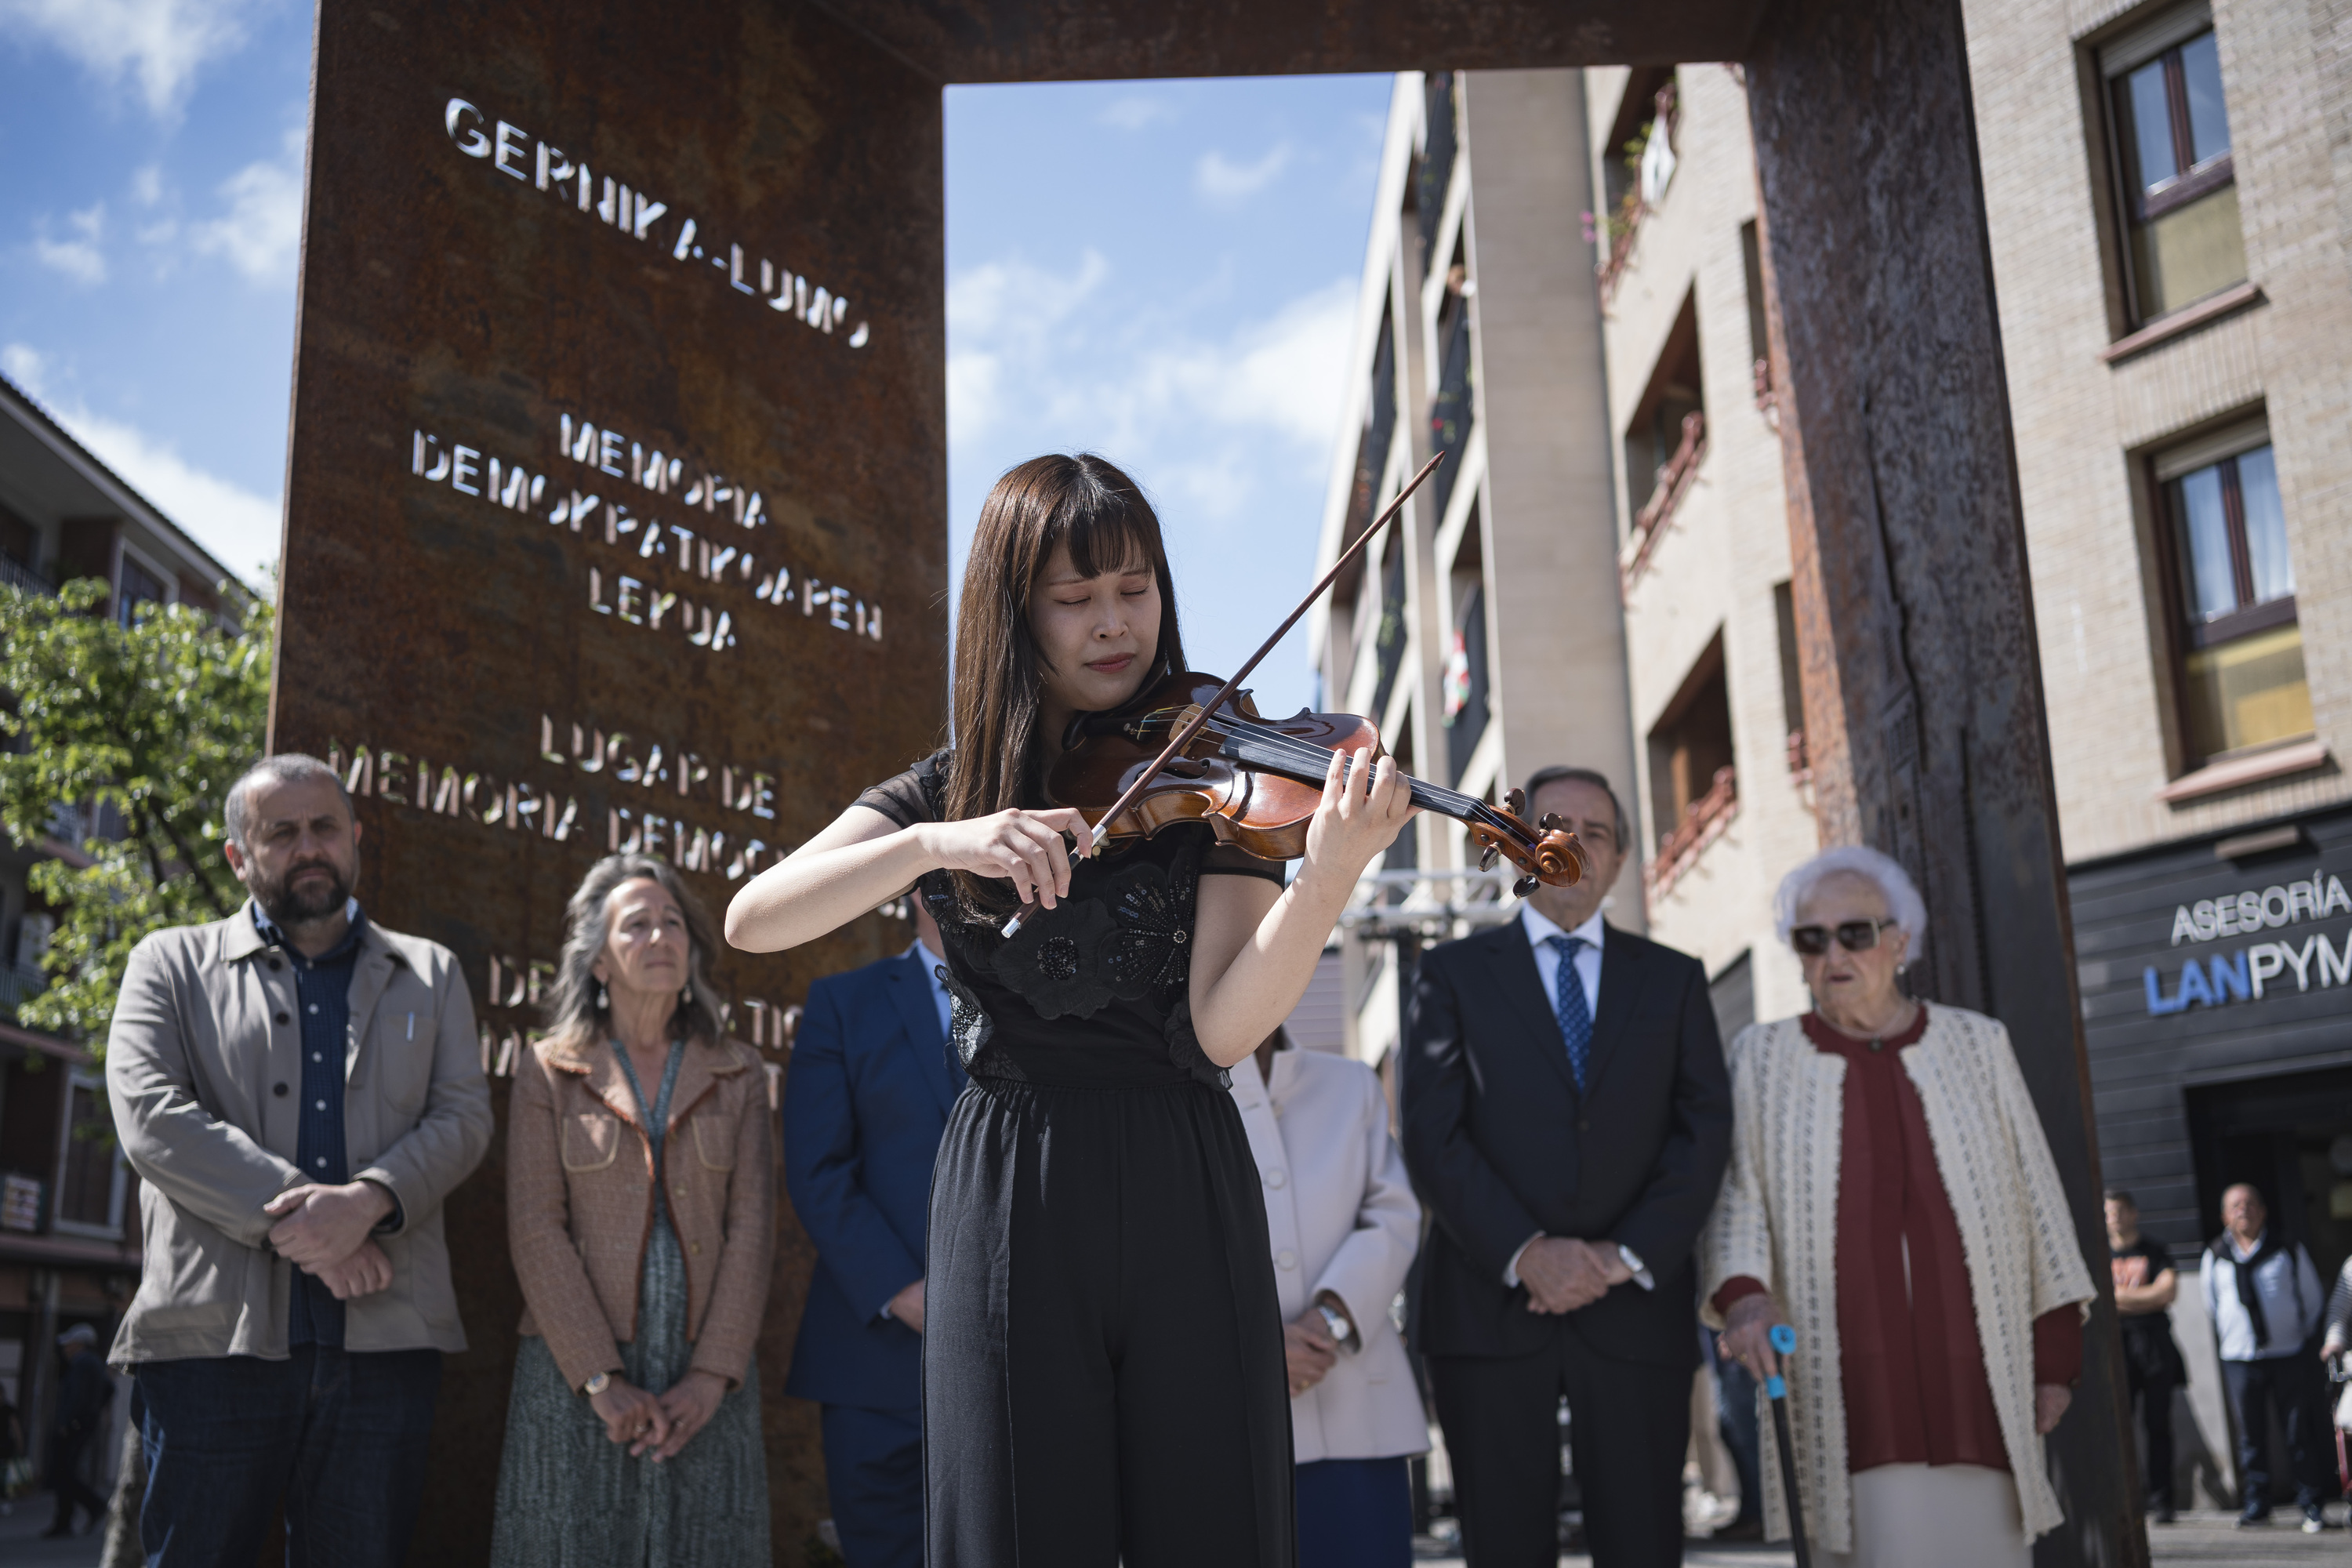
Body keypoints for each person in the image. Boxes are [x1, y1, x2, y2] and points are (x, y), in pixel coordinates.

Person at [725, 452, 1414, 1567]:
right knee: (1020, 1523)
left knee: (1209, 1521)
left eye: (1134, 589)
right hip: (1013, 1193)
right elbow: (753, 919)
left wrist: (1327, 877)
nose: (1113, 624)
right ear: (1016, 612)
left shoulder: (1217, 777)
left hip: (1187, 1173)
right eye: (1076, 598)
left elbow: (1220, 1030)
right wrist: (929, 846)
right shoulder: (939, 795)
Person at [106, 753, 494, 1566]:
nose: (308, 846)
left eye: (325, 826)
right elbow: (149, 1115)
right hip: (213, 1344)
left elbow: (463, 1117)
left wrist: (368, 1201)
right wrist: (307, 1214)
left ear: (356, 838)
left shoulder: (432, 973)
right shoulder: (167, 964)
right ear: (239, 857)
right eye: (280, 832)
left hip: (387, 1349)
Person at [1704, 845, 2095, 1568]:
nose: (1833, 954)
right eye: (1810, 939)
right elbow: (1738, 1204)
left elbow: (2037, 1198)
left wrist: (2054, 1359)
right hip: (1843, 1390)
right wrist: (1746, 1299)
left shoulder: (1979, 1044)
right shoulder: (1762, 1058)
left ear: (1900, 942)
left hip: (1980, 1384)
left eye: (1855, 932)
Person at [1400, 765, 1732, 1567]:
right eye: (1555, 824)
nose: (1573, 844)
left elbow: (1704, 1130)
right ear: (1518, 844)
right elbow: (1432, 1135)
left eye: (1598, 832)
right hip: (1489, 1306)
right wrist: (1527, 1251)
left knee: (1644, 1540)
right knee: (1504, 1543)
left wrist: (1623, 1255)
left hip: (1635, 1312)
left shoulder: (1676, 980)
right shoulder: (1449, 976)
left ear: (1619, 860)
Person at [491, 853, 775, 1566]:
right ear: (598, 963)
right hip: (576, 1372)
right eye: (637, 925)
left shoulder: (737, 1072)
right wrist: (599, 1378)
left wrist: (713, 1374)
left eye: (673, 923)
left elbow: (753, 1229)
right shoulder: (549, 1070)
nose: (660, 938)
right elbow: (535, 1228)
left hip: (704, 1374)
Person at [783, 898, 967, 1568]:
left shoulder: (1047, 1009)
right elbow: (817, 1169)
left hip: (1019, 1363)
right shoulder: (842, 1003)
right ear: (920, 890)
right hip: (877, 1365)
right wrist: (904, 1292)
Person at [1228, 1027, 1425, 1568]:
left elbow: (1392, 1213)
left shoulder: (1351, 1084)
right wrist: (1256, 1346)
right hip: (1225, 1424)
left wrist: (1332, 1319)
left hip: (1356, 1415)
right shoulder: (1159, 1097)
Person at [2201, 1182, 2330, 1531]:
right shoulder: (2215, 1254)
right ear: (2225, 1216)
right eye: (2235, 1206)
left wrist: (2297, 1336)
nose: (2244, 1210)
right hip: (2240, 1359)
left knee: (2297, 1429)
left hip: (2288, 1354)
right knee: (2250, 1434)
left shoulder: (2285, 1247)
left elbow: (2312, 1299)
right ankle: (2257, 1504)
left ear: (2263, 1210)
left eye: (2250, 1203)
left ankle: (2311, 1502)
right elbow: (2211, 1306)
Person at [2106, 1189, 2186, 1523]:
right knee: (2120, 1427)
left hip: (2154, 1346)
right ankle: (2128, 1499)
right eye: (2110, 1212)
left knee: (2158, 1425)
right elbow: (2097, 1298)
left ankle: (2163, 1501)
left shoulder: (2155, 1250)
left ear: (2134, 1213)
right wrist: (2144, 1297)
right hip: (2116, 1347)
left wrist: (2120, 1298)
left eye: (2122, 1210)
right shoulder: (2097, 1254)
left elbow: (2167, 1292)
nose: (2117, 1217)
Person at [42, 1323, 111, 1538]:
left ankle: (93, 1507)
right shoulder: (92, 1364)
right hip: (82, 1423)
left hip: (74, 1426)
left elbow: (77, 1397)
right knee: (66, 1473)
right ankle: (65, 1520)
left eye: (69, 1343)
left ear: (80, 1344)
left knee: (65, 1473)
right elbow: (109, 1389)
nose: (65, 1348)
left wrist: (67, 1422)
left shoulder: (84, 1364)